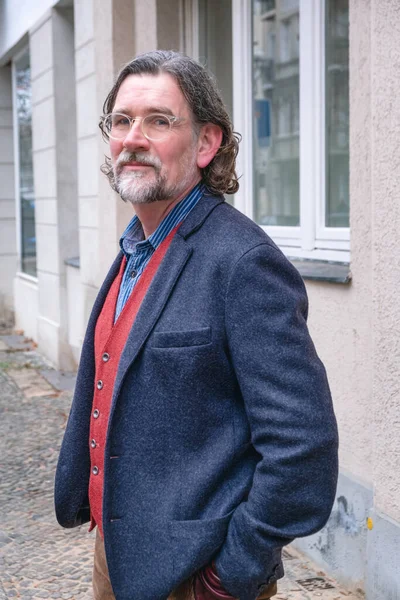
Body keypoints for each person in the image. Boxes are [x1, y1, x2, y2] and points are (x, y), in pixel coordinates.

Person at [55, 50, 338, 600]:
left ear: (207, 143)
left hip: (198, 575)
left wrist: (230, 574)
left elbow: (304, 445)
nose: (133, 137)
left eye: (159, 121)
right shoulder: (135, 249)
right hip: (118, 554)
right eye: (121, 120)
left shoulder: (243, 262)